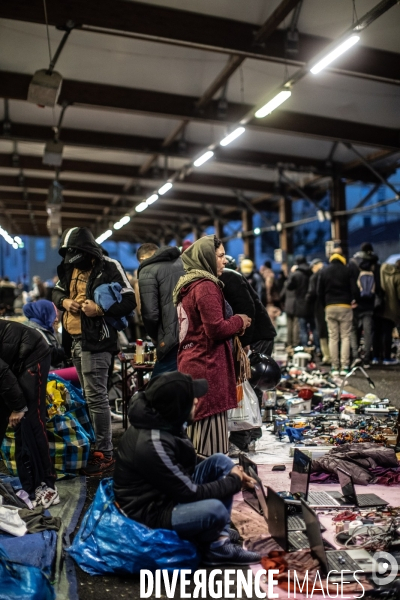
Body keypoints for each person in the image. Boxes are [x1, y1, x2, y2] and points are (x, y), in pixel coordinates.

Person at [113, 371, 261, 566]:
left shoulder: (163, 419)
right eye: (192, 398)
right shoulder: (152, 443)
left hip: (165, 494)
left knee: (220, 462)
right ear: (177, 406)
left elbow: (183, 462)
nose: (197, 401)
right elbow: (189, 493)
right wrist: (234, 481)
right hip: (150, 513)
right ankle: (217, 550)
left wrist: (234, 472)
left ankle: (218, 536)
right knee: (215, 510)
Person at [53, 227, 136, 475]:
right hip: (76, 341)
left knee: (97, 398)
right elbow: (57, 291)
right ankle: (95, 448)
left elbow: (130, 300)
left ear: (89, 252)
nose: (73, 262)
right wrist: (65, 302)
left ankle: (105, 453)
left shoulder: (109, 266)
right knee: (90, 397)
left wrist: (100, 310)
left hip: (98, 342)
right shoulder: (69, 267)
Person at [173, 235, 251, 458]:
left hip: (192, 363)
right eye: (219, 256)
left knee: (197, 434)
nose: (225, 261)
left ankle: (197, 482)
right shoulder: (206, 286)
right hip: (207, 366)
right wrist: (239, 320)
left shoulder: (188, 284)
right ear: (207, 257)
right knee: (211, 448)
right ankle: (209, 486)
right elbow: (215, 329)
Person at [0, 320, 59, 507]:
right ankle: (29, 485)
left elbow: (2, 374)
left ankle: (47, 484)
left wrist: (17, 408)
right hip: (10, 362)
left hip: (31, 353)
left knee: (31, 420)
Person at [220, 260, 276, 454]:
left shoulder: (229, 277)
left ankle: (241, 439)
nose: (222, 261)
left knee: (246, 387)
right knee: (248, 388)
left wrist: (245, 343)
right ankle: (252, 434)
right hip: (251, 336)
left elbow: (248, 310)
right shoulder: (221, 277)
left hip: (257, 337)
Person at [137, 242, 185, 376]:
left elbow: (150, 314)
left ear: (142, 259)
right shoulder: (183, 263)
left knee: (157, 387)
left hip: (170, 338)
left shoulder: (147, 270)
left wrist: (155, 337)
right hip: (192, 333)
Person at [318, 251, 357, 376]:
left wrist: (325, 304)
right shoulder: (347, 270)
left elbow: (319, 291)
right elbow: (354, 289)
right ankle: (345, 366)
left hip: (330, 306)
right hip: (345, 305)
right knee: (345, 336)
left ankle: (334, 367)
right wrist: (353, 300)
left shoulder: (324, 271)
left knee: (333, 337)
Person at [348, 250, 377, 368]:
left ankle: (355, 356)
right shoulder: (372, 274)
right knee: (368, 333)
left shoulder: (354, 271)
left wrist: (354, 300)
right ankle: (366, 358)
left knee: (353, 331)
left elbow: (353, 289)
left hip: (356, 307)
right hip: (369, 307)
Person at [286, 256, 319, 352]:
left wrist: (292, 273)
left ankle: (305, 348)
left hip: (300, 305)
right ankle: (317, 348)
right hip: (312, 304)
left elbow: (289, 286)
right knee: (314, 327)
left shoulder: (296, 274)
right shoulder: (311, 272)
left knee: (303, 328)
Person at [23, 299, 66, 368]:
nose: (56, 319)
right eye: (52, 315)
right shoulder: (36, 331)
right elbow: (49, 355)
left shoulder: (41, 329)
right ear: (44, 314)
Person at [375, 259, 400, 365]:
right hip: (391, 308)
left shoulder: (381, 270)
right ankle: (387, 357)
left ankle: (376, 356)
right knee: (387, 333)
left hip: (378, 306)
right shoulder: (397, 276)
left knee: (377, 333)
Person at [306, 259, 330, 364]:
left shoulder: (314, 277)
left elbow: (312, 293)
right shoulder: (329, 273)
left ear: (315, 266)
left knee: (322, 331)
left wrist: (307, 300)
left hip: (319, 307)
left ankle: (327, 356)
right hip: (330, 304)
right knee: (333, 333)